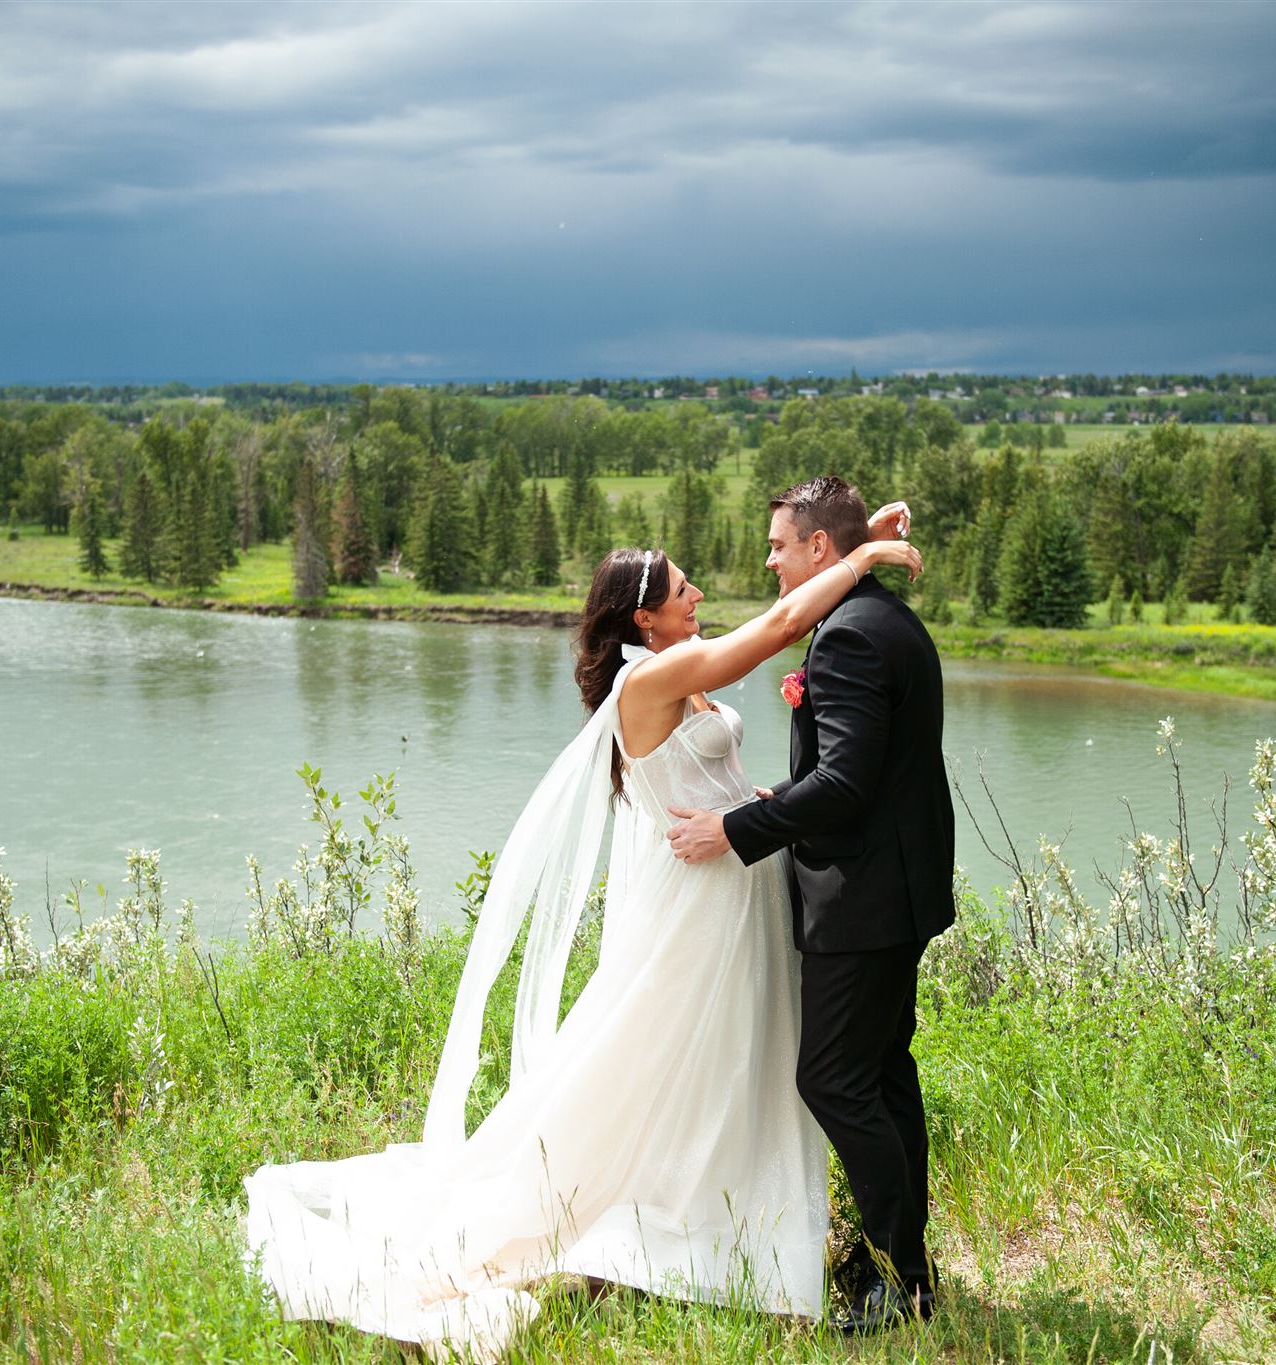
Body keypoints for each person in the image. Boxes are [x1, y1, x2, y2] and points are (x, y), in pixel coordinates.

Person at [243, 505, 922, 1359]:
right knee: (669, 1056)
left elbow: (721, 735)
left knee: (730, 1057)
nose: (699, 594)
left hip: (738, 884)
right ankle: (672, 1224)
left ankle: (733, 1213)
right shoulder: (650, 681)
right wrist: (865, 553)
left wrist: (752, 805)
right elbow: (783, 624)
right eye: (683, 588)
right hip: (703, 904)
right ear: (644, 615)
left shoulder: (677, 665)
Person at [666, 475, 955, 1332]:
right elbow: (861, 771)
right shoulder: (881, 616)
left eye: (779, 545)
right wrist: (783, 795)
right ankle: (893, 1258)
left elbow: (846, 782)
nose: (770, 560)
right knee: (882, 1074)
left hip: (861, 899)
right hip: (897, 885)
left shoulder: (850, 636)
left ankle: (903, 1280)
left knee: (831, 1078)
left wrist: (736, 827)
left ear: (820, 546)